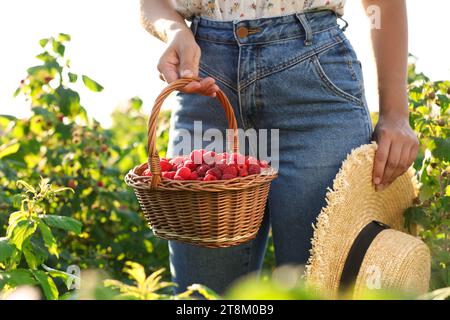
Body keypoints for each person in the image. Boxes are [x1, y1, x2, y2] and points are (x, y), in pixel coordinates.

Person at [140, 0, 418, 294]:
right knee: (202, 297)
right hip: (206, 83)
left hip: (313, 90)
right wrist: (175, 32)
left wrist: (396, 114)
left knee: (322, 287)